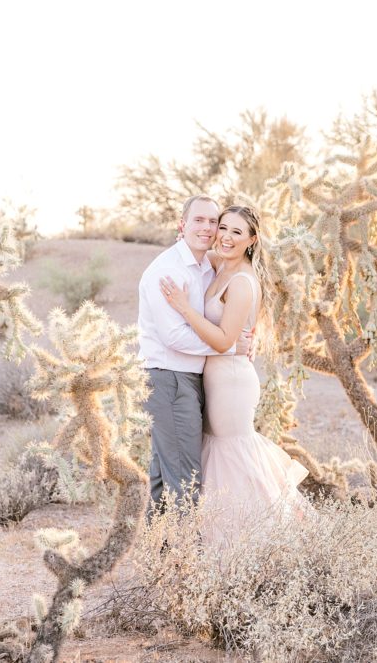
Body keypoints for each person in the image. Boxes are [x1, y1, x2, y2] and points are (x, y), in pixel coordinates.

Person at [159, 204, 310, 538]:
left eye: (236, 232)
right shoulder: (220, 264)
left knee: (230, 457)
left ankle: (253, 544)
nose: (225, 237)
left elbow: (225, 338)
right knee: (216, 456)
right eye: (222, 227)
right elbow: (196, 250)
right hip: (214, 376)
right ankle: (218, 547)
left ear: (252, 239)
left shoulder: (241, 281)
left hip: (231, 383)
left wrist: (184, 308)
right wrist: (186, 235)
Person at [137, 194, 251, 516]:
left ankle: (157, 558)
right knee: (185, 481)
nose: (208, 228)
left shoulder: (205, 266)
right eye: (199, 220)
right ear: (182, 225)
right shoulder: (168, 271)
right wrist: (228, 347)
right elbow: (173, 337)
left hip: (192, 380)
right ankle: (186, 562)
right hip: (169, 378)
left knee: (164, 478)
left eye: (213, 222)